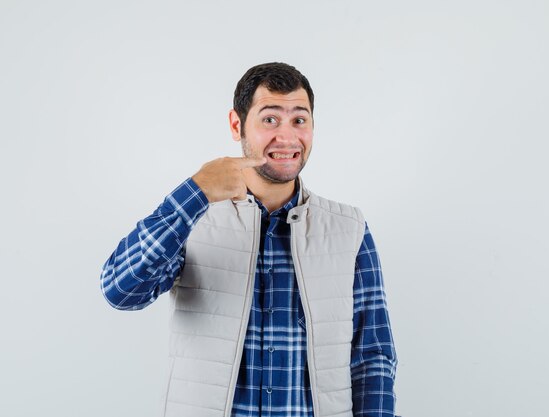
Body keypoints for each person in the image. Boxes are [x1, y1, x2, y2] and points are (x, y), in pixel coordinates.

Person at [100, 62, 398, 417]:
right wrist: (195, 192)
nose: (286, 137)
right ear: (237, 125)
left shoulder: (349, 228)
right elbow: (121, 290)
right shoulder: (193, 218)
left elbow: (372, 356)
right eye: (270, 119)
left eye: (299, 120)